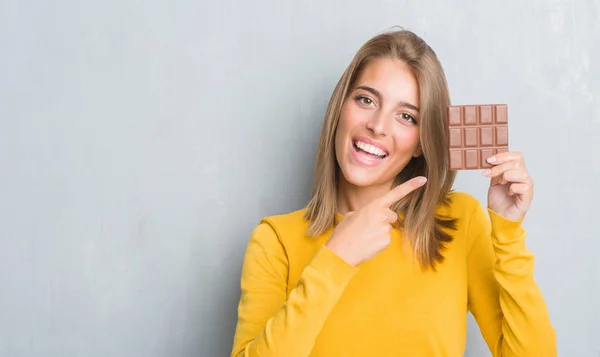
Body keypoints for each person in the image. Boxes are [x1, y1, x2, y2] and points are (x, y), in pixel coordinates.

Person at [229, 29, 557, 357]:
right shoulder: (275, 241)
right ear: (340, 109)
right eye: (366, 99)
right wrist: (335, 260)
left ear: (420, 143)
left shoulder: (460, 221)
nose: (378, 126)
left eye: (406, 116)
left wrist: (509, 233)